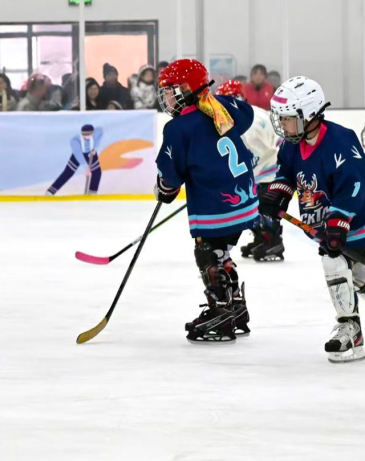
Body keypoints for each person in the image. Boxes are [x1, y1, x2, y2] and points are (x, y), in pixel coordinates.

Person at [260, 77, 365, 362]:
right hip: (328, 231)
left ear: (309, 115)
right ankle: (350, 329)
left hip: (357, 227)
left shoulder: (341, 140)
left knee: (360, 277)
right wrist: (277, 193)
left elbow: (355, 185)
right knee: (334, 263)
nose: (283, 124)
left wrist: (339, 220)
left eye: (288, 118)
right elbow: (286, 173)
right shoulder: (291, 145)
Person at [155, 59, 258, 343]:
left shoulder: (177, 128)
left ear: (188, 89)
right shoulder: (221, 106)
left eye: (171, 91)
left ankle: (221, 311)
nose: (167, 99)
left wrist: (163, 189)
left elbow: (170, 178)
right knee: (222, 252)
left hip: (216, 206)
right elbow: (247, 114)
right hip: (246, 200)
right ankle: (236, 308)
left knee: (207, 253)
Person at [216, 79, 285, 262]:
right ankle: (262, 237)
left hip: (270, 174)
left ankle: (272, 241)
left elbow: (280, 142)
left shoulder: (251, 120)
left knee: (260, 206)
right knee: (247, 206)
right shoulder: (234, 121)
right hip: (262, 173)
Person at [45, 124, 103, 196]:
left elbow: (100, 131)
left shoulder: (96, 133)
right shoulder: (75, 140)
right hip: (79, 154)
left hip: (91, 153)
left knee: (97, 172)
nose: (87, 137)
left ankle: (92, 194)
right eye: (85, 135)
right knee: (68, 172)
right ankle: (50, 191)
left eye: (89, 135)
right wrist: (87, 168)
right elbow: (79, 155)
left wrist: (95, 148)